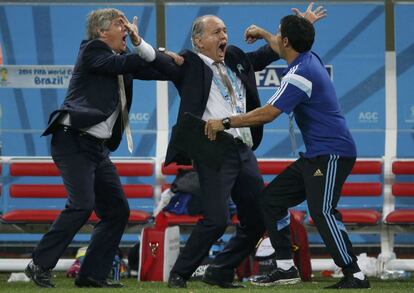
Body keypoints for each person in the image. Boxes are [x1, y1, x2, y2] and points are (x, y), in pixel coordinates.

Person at [149, 4, 326, 289]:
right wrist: (154, 51)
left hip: (243, 149)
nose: (224, 36)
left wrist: (299, 23)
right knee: (217, 219)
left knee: (257, 218)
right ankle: (180, 274)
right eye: (216, 31)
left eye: (225, 31)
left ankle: (220, 270)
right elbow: (162, 64)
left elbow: (271, 52)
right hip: (211, 148)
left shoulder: (235, 57)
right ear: (198, 41)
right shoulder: (189, 63)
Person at [205, 15, 370, 289]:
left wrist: (225, 122)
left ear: (286, 41)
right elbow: (282, 45)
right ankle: (284, 268)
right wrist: (262, 32)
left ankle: (355, 273)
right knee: (270, 200)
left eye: (279, 35)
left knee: (323, 211)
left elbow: (268, 114)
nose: (277, 39)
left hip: (332, 154)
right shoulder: (309, 58)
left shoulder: (299, 75)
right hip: (316, 154)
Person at [24, 8, 171, 288]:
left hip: (96, 149)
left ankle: (91, 274)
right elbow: (128, 64)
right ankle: (39, 264)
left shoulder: (119, 60)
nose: (126, 28)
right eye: (120, 24)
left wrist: (170, 59)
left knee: (117, 211)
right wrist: (142, 48)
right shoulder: (92, 50)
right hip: (72, 140)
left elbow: (153, 68)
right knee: (82, 204)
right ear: (103, 32)